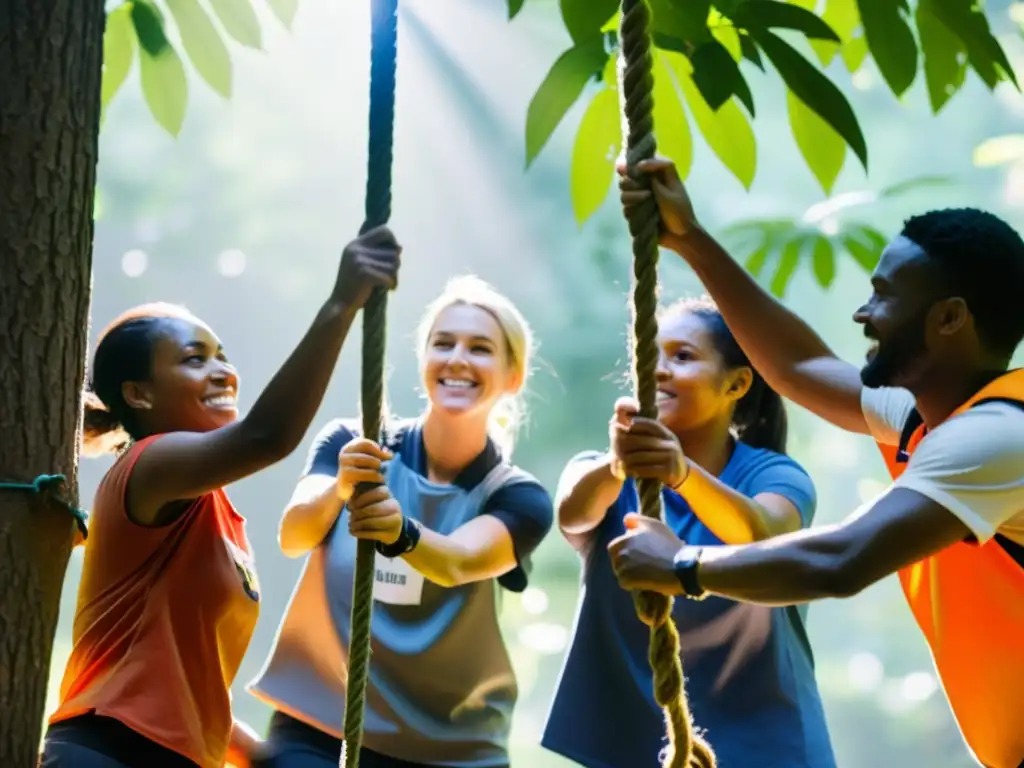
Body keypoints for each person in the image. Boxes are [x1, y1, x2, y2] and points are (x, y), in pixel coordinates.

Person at [610, 158, 1024, 768]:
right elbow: (798, 368)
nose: (863, 313)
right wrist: (688, 239)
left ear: (950, 319)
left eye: (884, 296)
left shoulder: (995, 438)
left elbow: (840, 561)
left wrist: (681, 565)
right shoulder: (930, 415)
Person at [41, 227, 402, 768]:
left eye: (221, 355)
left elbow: (184, 682)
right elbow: (267, 437)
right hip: (104, 752)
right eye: (193, 359)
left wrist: (268, 758)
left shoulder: (217, 514)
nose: (223, 371)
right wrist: (340, 304)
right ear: (139, 394)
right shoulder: (147, 465)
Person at [247, 275, 555, 768]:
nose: (457, 359)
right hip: (323, 725)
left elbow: (458, 562)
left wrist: (400, 532)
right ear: (424, 359)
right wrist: (340, 488)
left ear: (513, 376)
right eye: (443, 343)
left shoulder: (518, 497)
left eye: (480, 348)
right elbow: (294, 535)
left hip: (451, 749)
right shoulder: (354, 442)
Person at [542, 297, 836, 768]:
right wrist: (618, 465)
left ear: (737, 383)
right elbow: (572, 514)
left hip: (766, 748)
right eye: (649, 357)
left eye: (682, 356)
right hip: (640, 746)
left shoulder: (775, 477)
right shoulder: (603, 476)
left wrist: (682, 474)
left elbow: (764, 537)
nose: (658, 371)